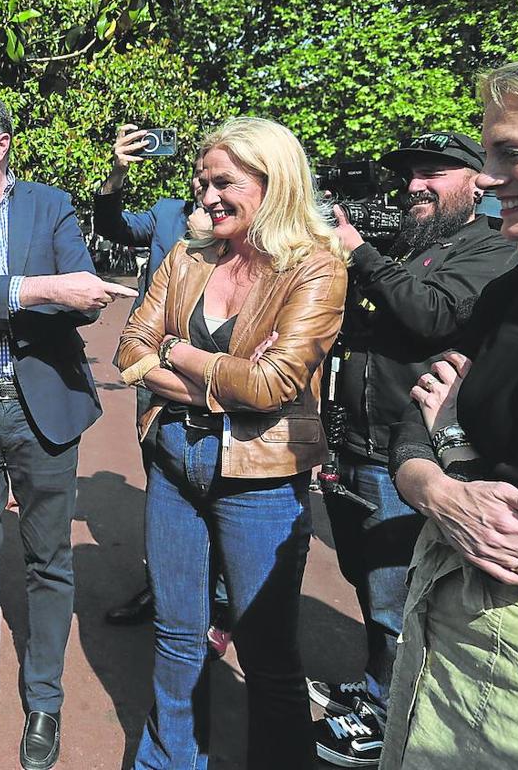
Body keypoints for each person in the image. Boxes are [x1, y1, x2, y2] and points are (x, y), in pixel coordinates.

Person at [116, 116, 348, 770]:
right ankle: (166, 761)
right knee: (176, 635)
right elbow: (129, 348)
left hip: (263, 481)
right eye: (201, 182)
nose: (207, 197)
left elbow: (274, 387)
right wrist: (217, 381)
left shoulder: (315, 267)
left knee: (267, 654)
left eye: (225, 183)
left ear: (274, 184)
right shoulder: (187, 256)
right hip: (172, 465)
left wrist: (178, 351)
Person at [0, 92, 133, 770]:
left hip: (48, 403)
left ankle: (43, 697)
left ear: (0, 144)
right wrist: (39, 290)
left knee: (50, 560)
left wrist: (11, 291)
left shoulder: (51, 204)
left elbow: (85, 296)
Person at [307, 129, 518, 767]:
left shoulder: (493, 251)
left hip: (410, 458)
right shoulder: (409, 244)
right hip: (363, 444)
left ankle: (385, 715)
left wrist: (361, 254)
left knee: (400, 597)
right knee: (369, 581)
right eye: (410, 175)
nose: (415, 185)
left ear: (468, 184)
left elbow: (436, 317)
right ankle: (379, 687)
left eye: (434, 172)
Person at [383, 59, 518, 770]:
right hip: (445, 606)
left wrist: (452, 440)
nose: (493, 176)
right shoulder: (512, 288)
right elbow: (419, 416)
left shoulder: (487, 257)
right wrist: (437, 486)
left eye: (513, 154)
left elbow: (441, 411)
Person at [94, 126, 227, 638]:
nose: (203, 186)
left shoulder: (240, 221)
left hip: (216, 377)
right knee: (165, 482)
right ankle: (166, 588)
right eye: (198, 176)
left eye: (215, 178)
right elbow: (110, 223)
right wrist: (118, 169)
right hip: (154, 372)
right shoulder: (167, 213)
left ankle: (219, 605)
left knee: (221, 489)